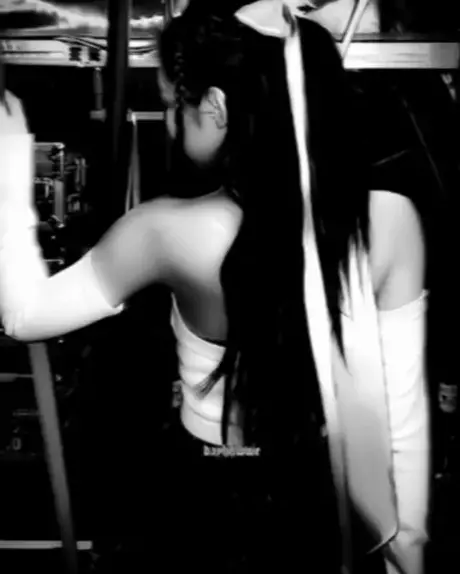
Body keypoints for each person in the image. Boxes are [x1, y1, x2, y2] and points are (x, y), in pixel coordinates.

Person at [0, 1, 429, 573]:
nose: (171, 121)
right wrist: (407, 552)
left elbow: (23, 316)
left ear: (217, 107)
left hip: (211, 487)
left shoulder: (164, 232)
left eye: (173, 104)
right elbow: (403, 424)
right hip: (324, 491)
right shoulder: (393, 223)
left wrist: (7, 163)